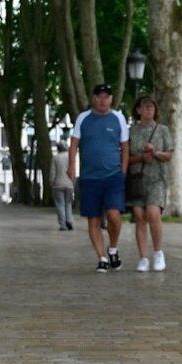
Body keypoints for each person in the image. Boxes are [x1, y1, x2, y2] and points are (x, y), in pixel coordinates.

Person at [68, 83, 129, 272]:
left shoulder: (118, 118)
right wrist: (72, 166)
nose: (103, 100)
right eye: (99, 96)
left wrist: (123, 170)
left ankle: (113, 248)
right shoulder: (83, 119)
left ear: (111, 99)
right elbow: (74, 145)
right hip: (89, 177)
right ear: (93, 98)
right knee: (93, 219)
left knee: (113, 215)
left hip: (113, 176)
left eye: (106, 96)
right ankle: (101, 257)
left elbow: (125, 147)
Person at [127, 95, 175, 272]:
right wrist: (140, 157)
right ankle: (143, 258)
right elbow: (125, 157)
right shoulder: (131, 131)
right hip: (137, 180)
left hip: (157, 179)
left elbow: (169, 155)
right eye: (145, 107)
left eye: (151, 107)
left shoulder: (162, 130)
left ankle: (158, 253)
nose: (148, 110)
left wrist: (155, 153)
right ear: (138, 110)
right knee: (139, 216)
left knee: (153, 214)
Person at [51, 163, 75, 231]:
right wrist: (73, 182)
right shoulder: (70, 157)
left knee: (60, 204)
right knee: (68, 204)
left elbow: (52, 172)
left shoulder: (56, 158)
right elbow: (73, 170)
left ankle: (63, 225)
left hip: (58, 184)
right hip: (69, 184)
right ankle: (69, 221)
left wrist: (52, 182)